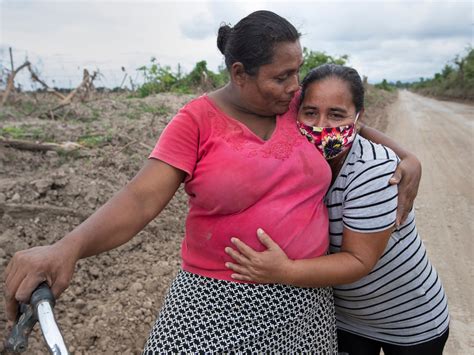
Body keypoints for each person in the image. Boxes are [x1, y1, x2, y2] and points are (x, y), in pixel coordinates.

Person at [4, 11, 420, 353]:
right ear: (240, 73)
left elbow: (342, 121)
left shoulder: (292, 105)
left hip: (304, 305)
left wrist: (405, 156)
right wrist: (68, 247)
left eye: (297, 72)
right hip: (215, 303)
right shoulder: (196, 123)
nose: (295, 86)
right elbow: (140, 199)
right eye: (281, 76)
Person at [224, 64, 449, 355]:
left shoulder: (375, 171)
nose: (321, 124)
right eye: (311, 112)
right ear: (298, 114)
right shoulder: (295, 156)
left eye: (336, 114)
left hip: (408, 321)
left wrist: (284, 271)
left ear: (358, 118)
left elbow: (359, 260)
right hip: (344, 318)